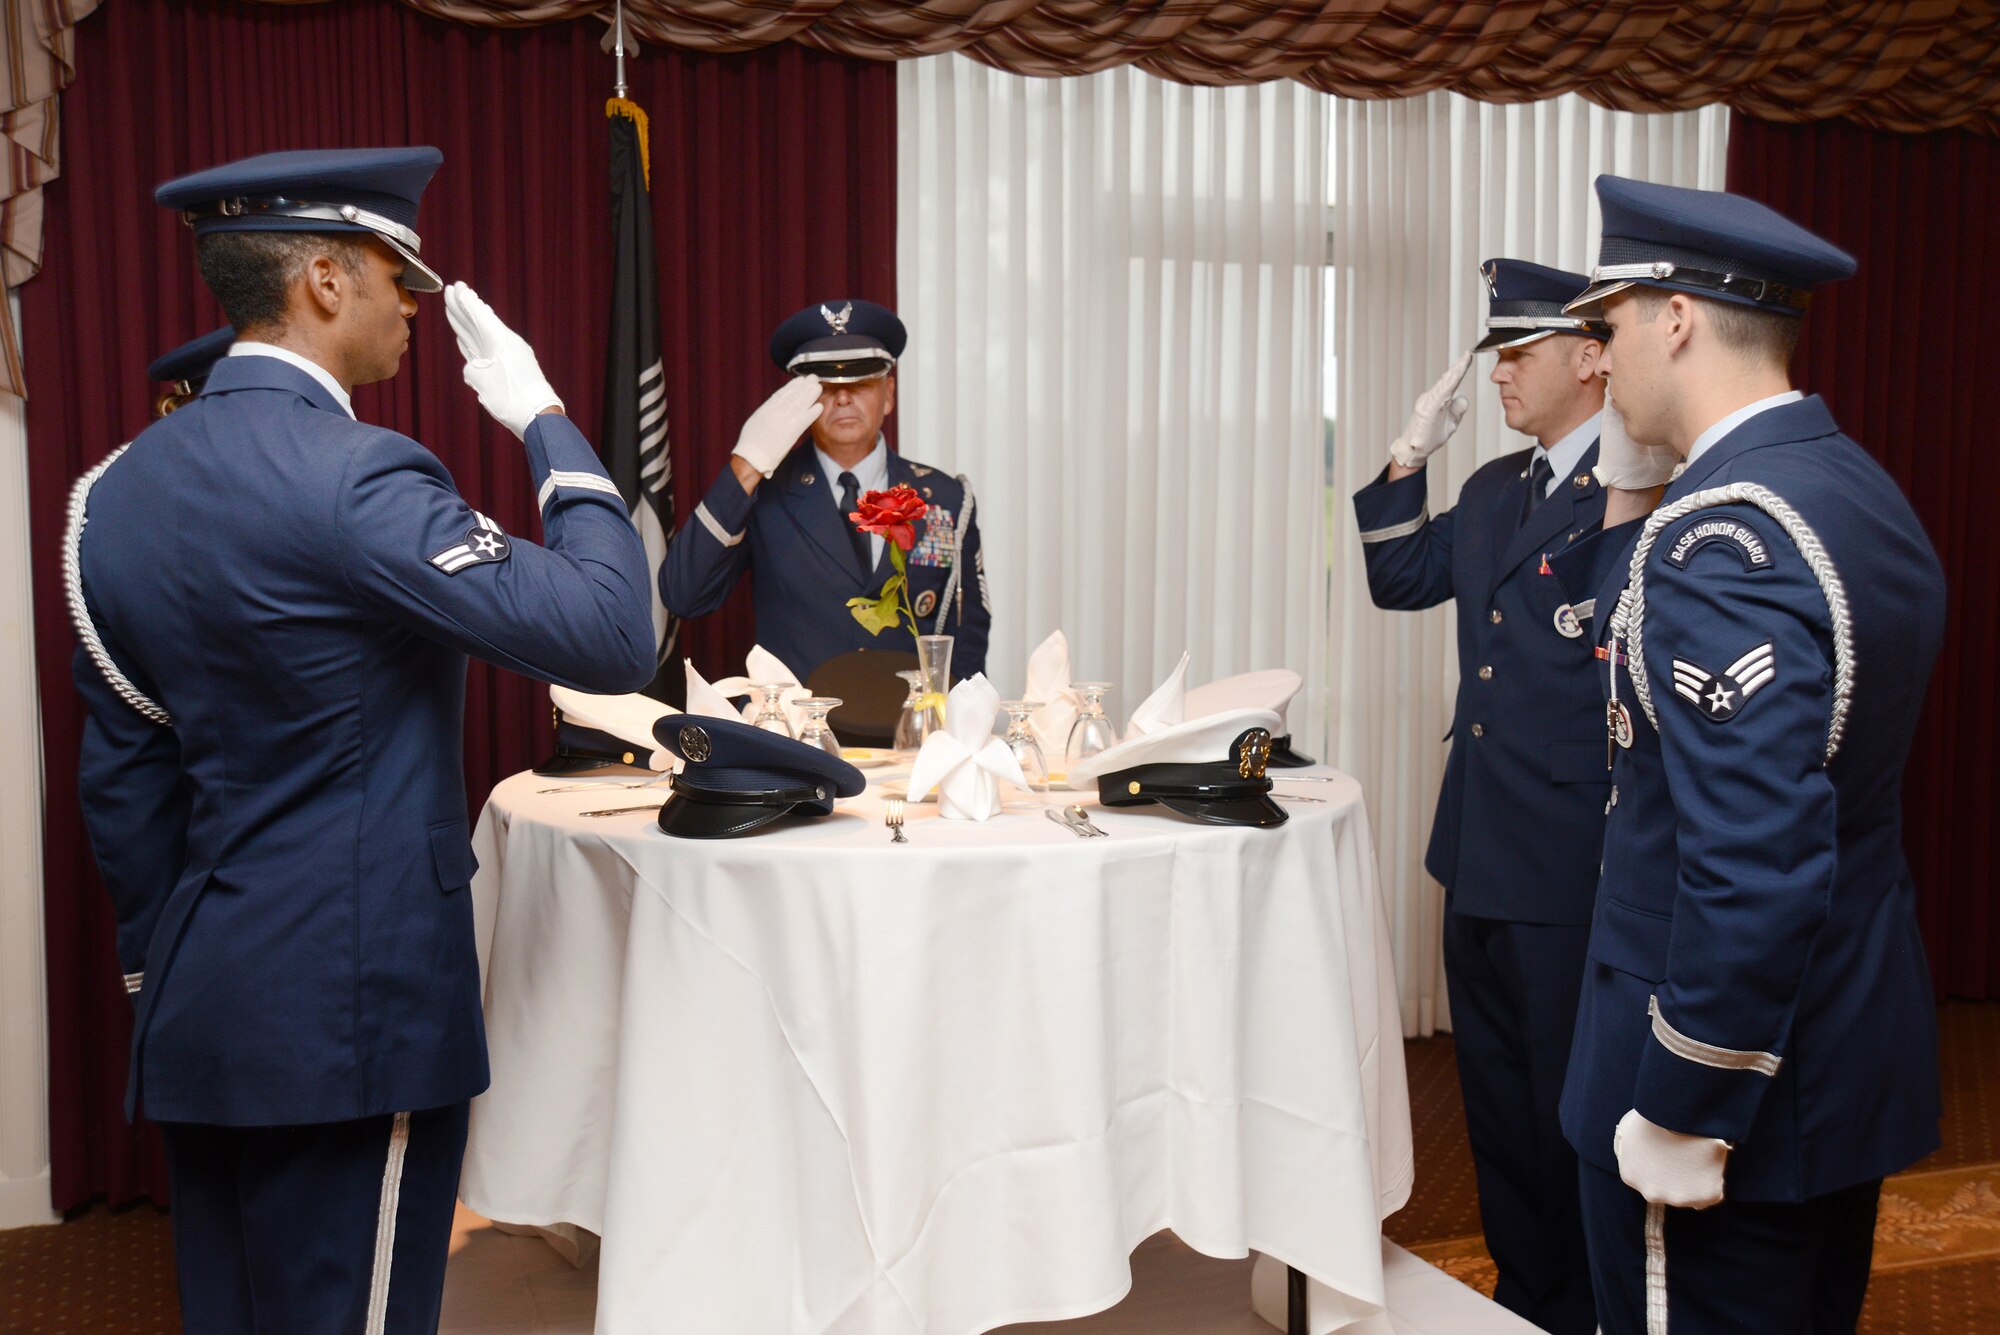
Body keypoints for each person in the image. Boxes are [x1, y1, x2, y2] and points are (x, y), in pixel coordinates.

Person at [69, 146, 654, 1334]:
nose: (415, 305)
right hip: (356, 1002)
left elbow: (125, 785)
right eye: (402, 275)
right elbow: (610, 634)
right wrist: (543, 420)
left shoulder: (108, 494)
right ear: (327, 280)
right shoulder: (357, 474)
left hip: (203, 998)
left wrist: (158, 975)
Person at [1552, 174, 1944, 1333]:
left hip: (1720, 1089)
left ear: (1672, 319)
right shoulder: (1850, 487)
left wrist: (1680, 1101)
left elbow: (1752, 864)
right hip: (1838, 1051)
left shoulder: (1719, 536)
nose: (1600, 364)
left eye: (1606, 328)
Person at [1350, 258, 1613, 1333]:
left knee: (1566, 1104)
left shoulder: (1642, 485)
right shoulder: (1499, 486)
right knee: (1496, 1102)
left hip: (1568, 852)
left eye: (1521, 350)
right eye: (1496, 352)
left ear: (1592, 356)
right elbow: (1399, 577)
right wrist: (1408, 455)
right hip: (1478, 841)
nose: (1499, 373)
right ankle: (1525, 1291)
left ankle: (1584, 1302)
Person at [661, 298, 991, 680]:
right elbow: (683, 594)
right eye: (825, 385)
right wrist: (746, 465)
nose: (843, 398)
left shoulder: (945, 498)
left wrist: (952, 726)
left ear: (889, 394)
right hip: (796, 730)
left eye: (861, 381)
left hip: (910, 731)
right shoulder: (767, 492)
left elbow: (968, 635)